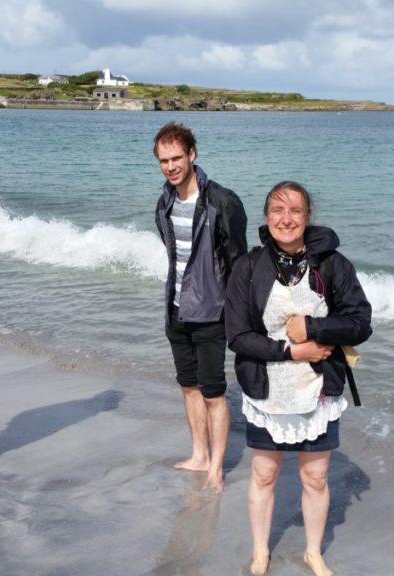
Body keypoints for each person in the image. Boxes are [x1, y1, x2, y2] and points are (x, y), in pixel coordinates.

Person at [224, 181, 372, 576]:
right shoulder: (249, 266)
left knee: (316, 475)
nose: (285, 219)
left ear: (308, 217)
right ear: (266, 217)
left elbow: (360, 323)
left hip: (318, 390)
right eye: (277, 210)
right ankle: (260, 552)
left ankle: (313, 553)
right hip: (265, 388)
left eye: (295, 211)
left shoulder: (332, 264)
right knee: (264, 472)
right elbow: (237, 336)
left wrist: (314, 327)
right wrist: (292, 350)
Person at [154, 121, 248, 493]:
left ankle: (216, 467)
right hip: (176, 310)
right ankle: (198, 455)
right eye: (164, 160)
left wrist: (240, 314)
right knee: (189, 387)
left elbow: (238, 262)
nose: (171, 166)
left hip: (211, 312)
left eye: (177, 157)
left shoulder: (221, 201)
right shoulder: (164, 200)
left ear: (192, 155)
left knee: (213, 393)